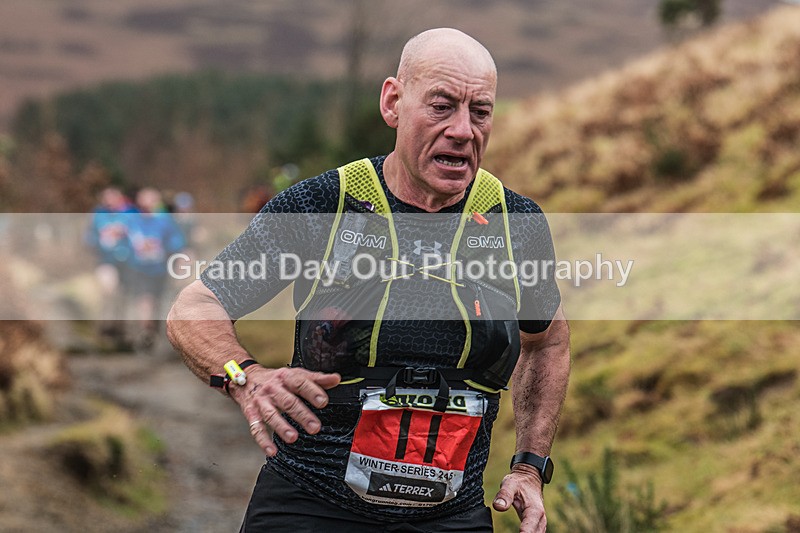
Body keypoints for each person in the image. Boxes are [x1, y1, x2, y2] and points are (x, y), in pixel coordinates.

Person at [167, 28, 570, 533]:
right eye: (441, 106)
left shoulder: (515, 222)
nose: (463, 130)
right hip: (310, 506)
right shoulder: (322, 206)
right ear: (393, 102)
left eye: (480, 111)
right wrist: (245, 376)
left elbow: (547, 341)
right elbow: (195, 305)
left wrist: (529, 467)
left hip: (452, 517)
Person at [127, 187, 186, 351]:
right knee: (145, 299)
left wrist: (179, 263)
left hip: (160, 268)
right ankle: (145, 330)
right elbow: (123, 242)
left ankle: (157, 332)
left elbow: (177, 243)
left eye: (153, 200)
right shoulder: (132, 221)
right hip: (138, 268)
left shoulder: (165, 221)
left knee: (158, 300)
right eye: (146, 200)